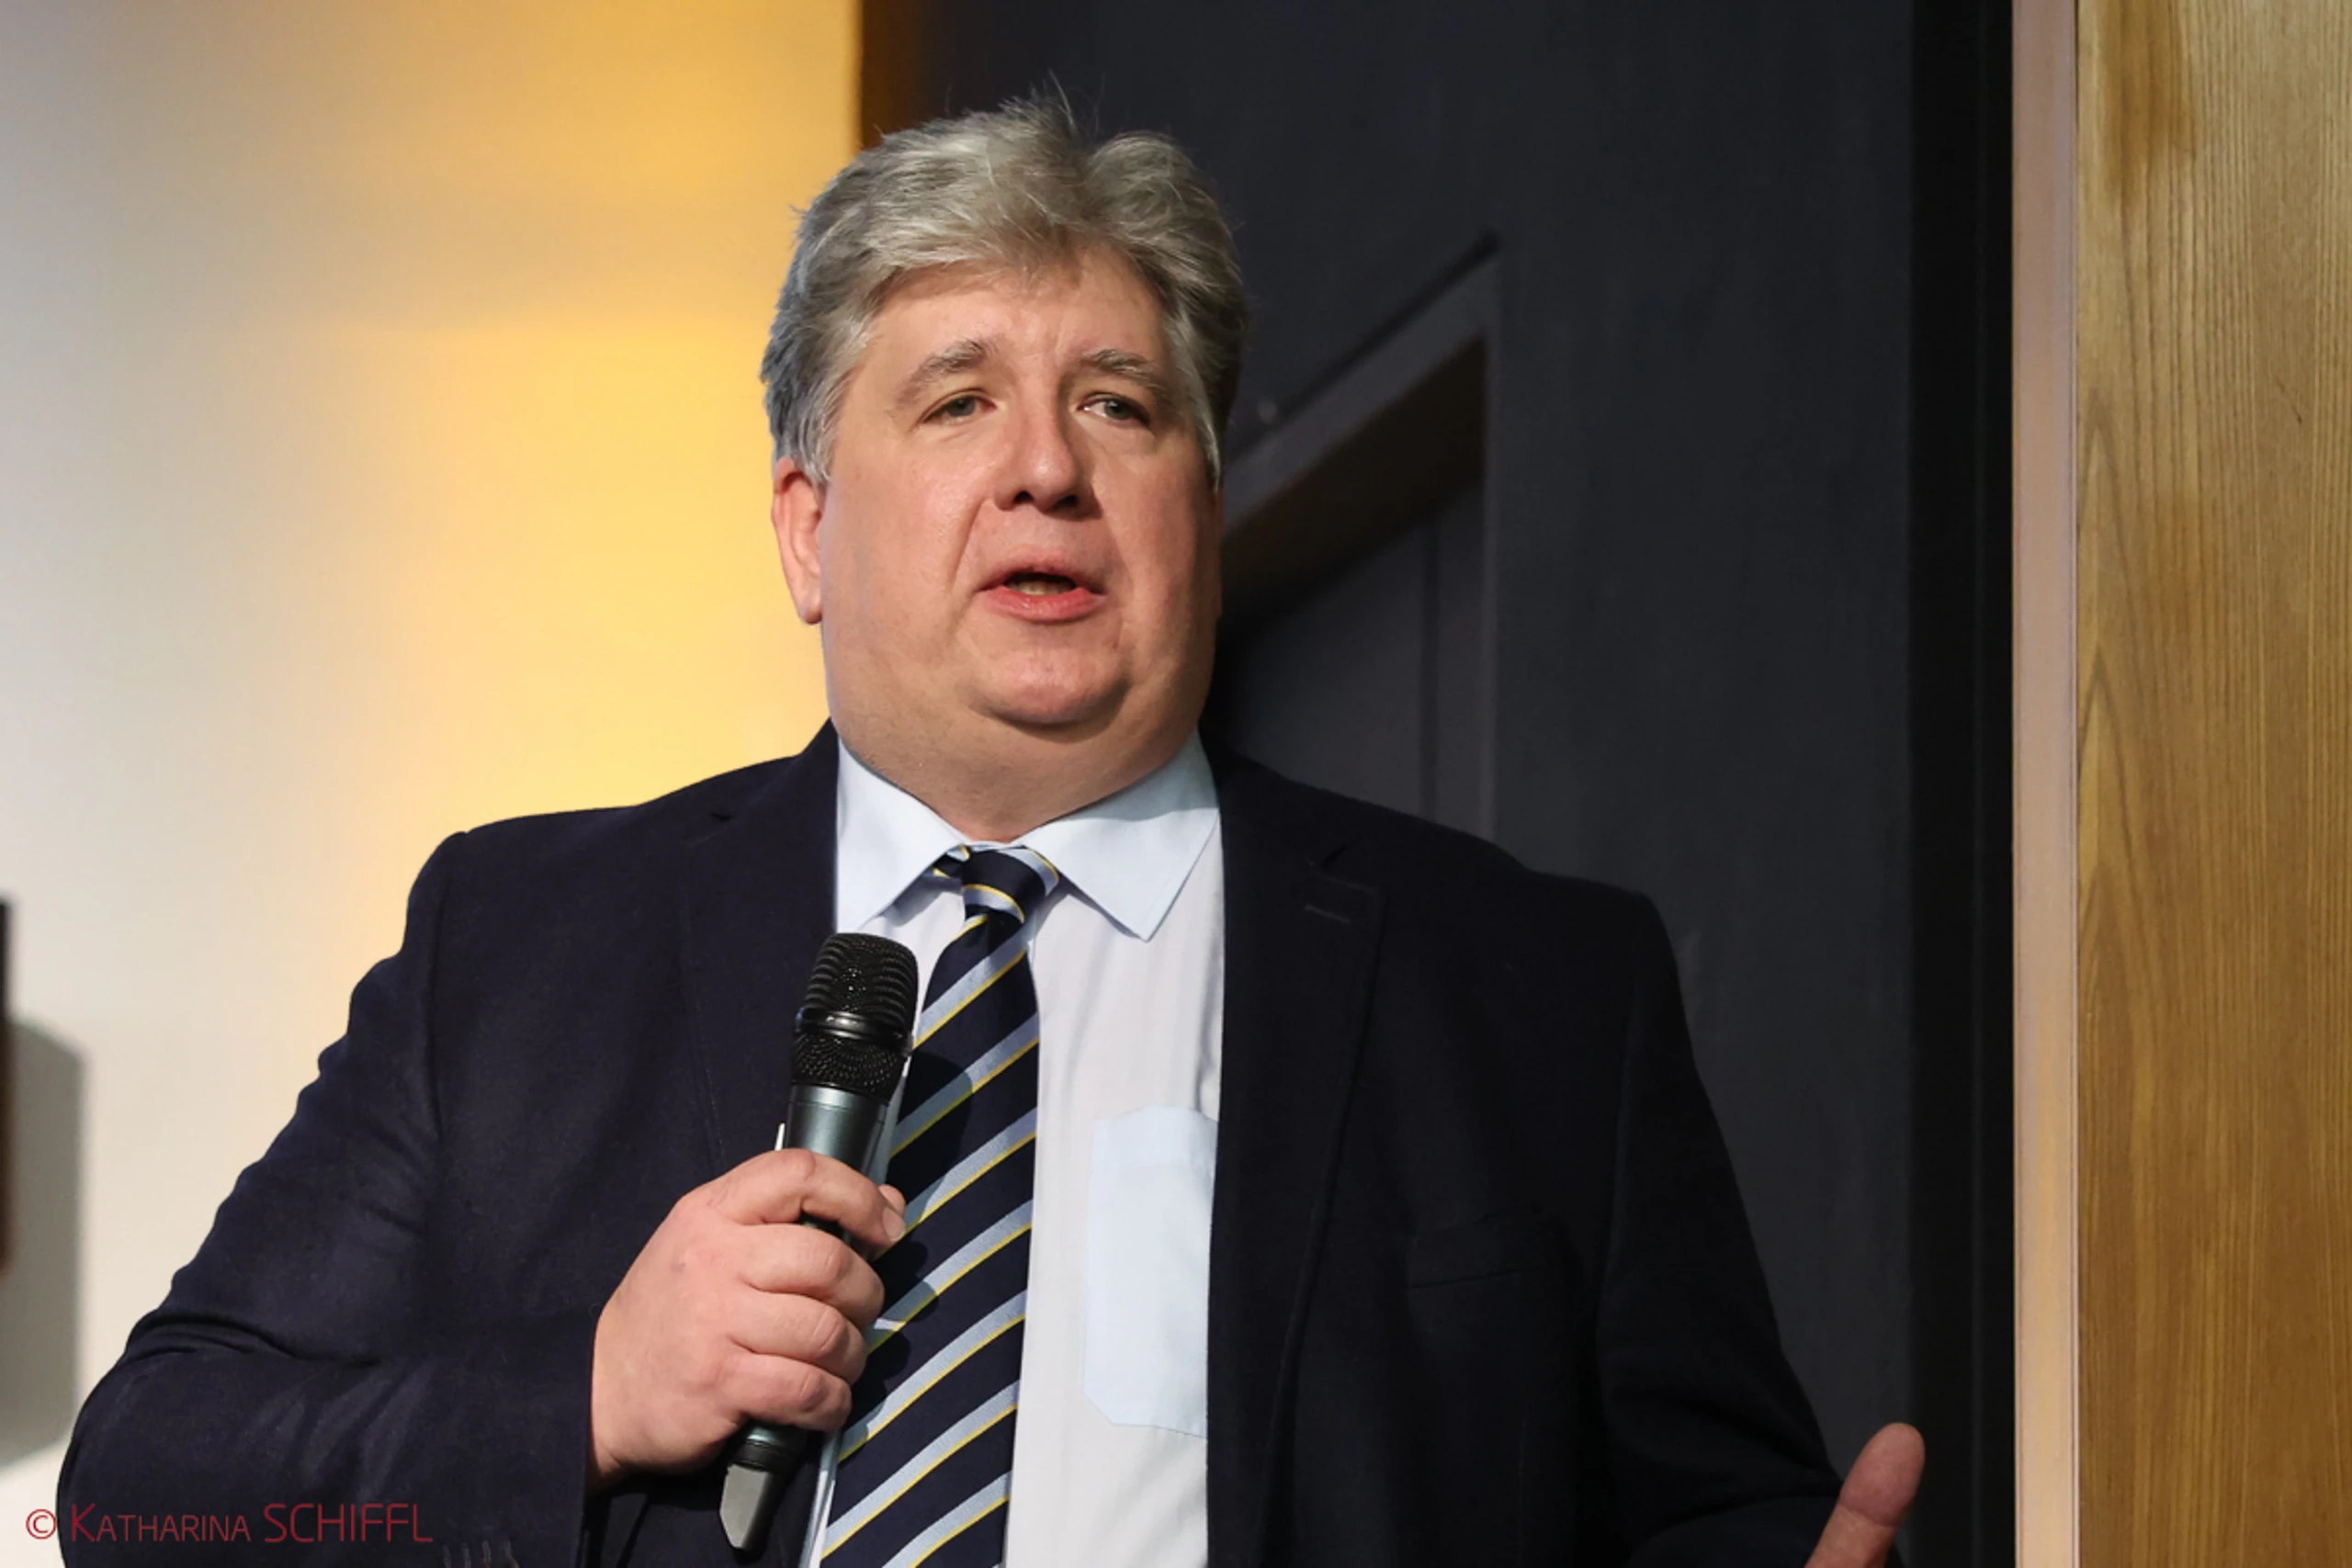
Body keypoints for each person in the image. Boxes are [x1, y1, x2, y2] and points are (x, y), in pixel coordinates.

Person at [59, 97, 1922, 1567]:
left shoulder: (1536, 989)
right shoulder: (520, 945)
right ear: (807, 528)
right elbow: (149, 1491)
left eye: (1118, 405)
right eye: (958, 401)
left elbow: (1719, 1518)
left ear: (1202, 509)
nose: (1046, 467)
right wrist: (589, 1392)